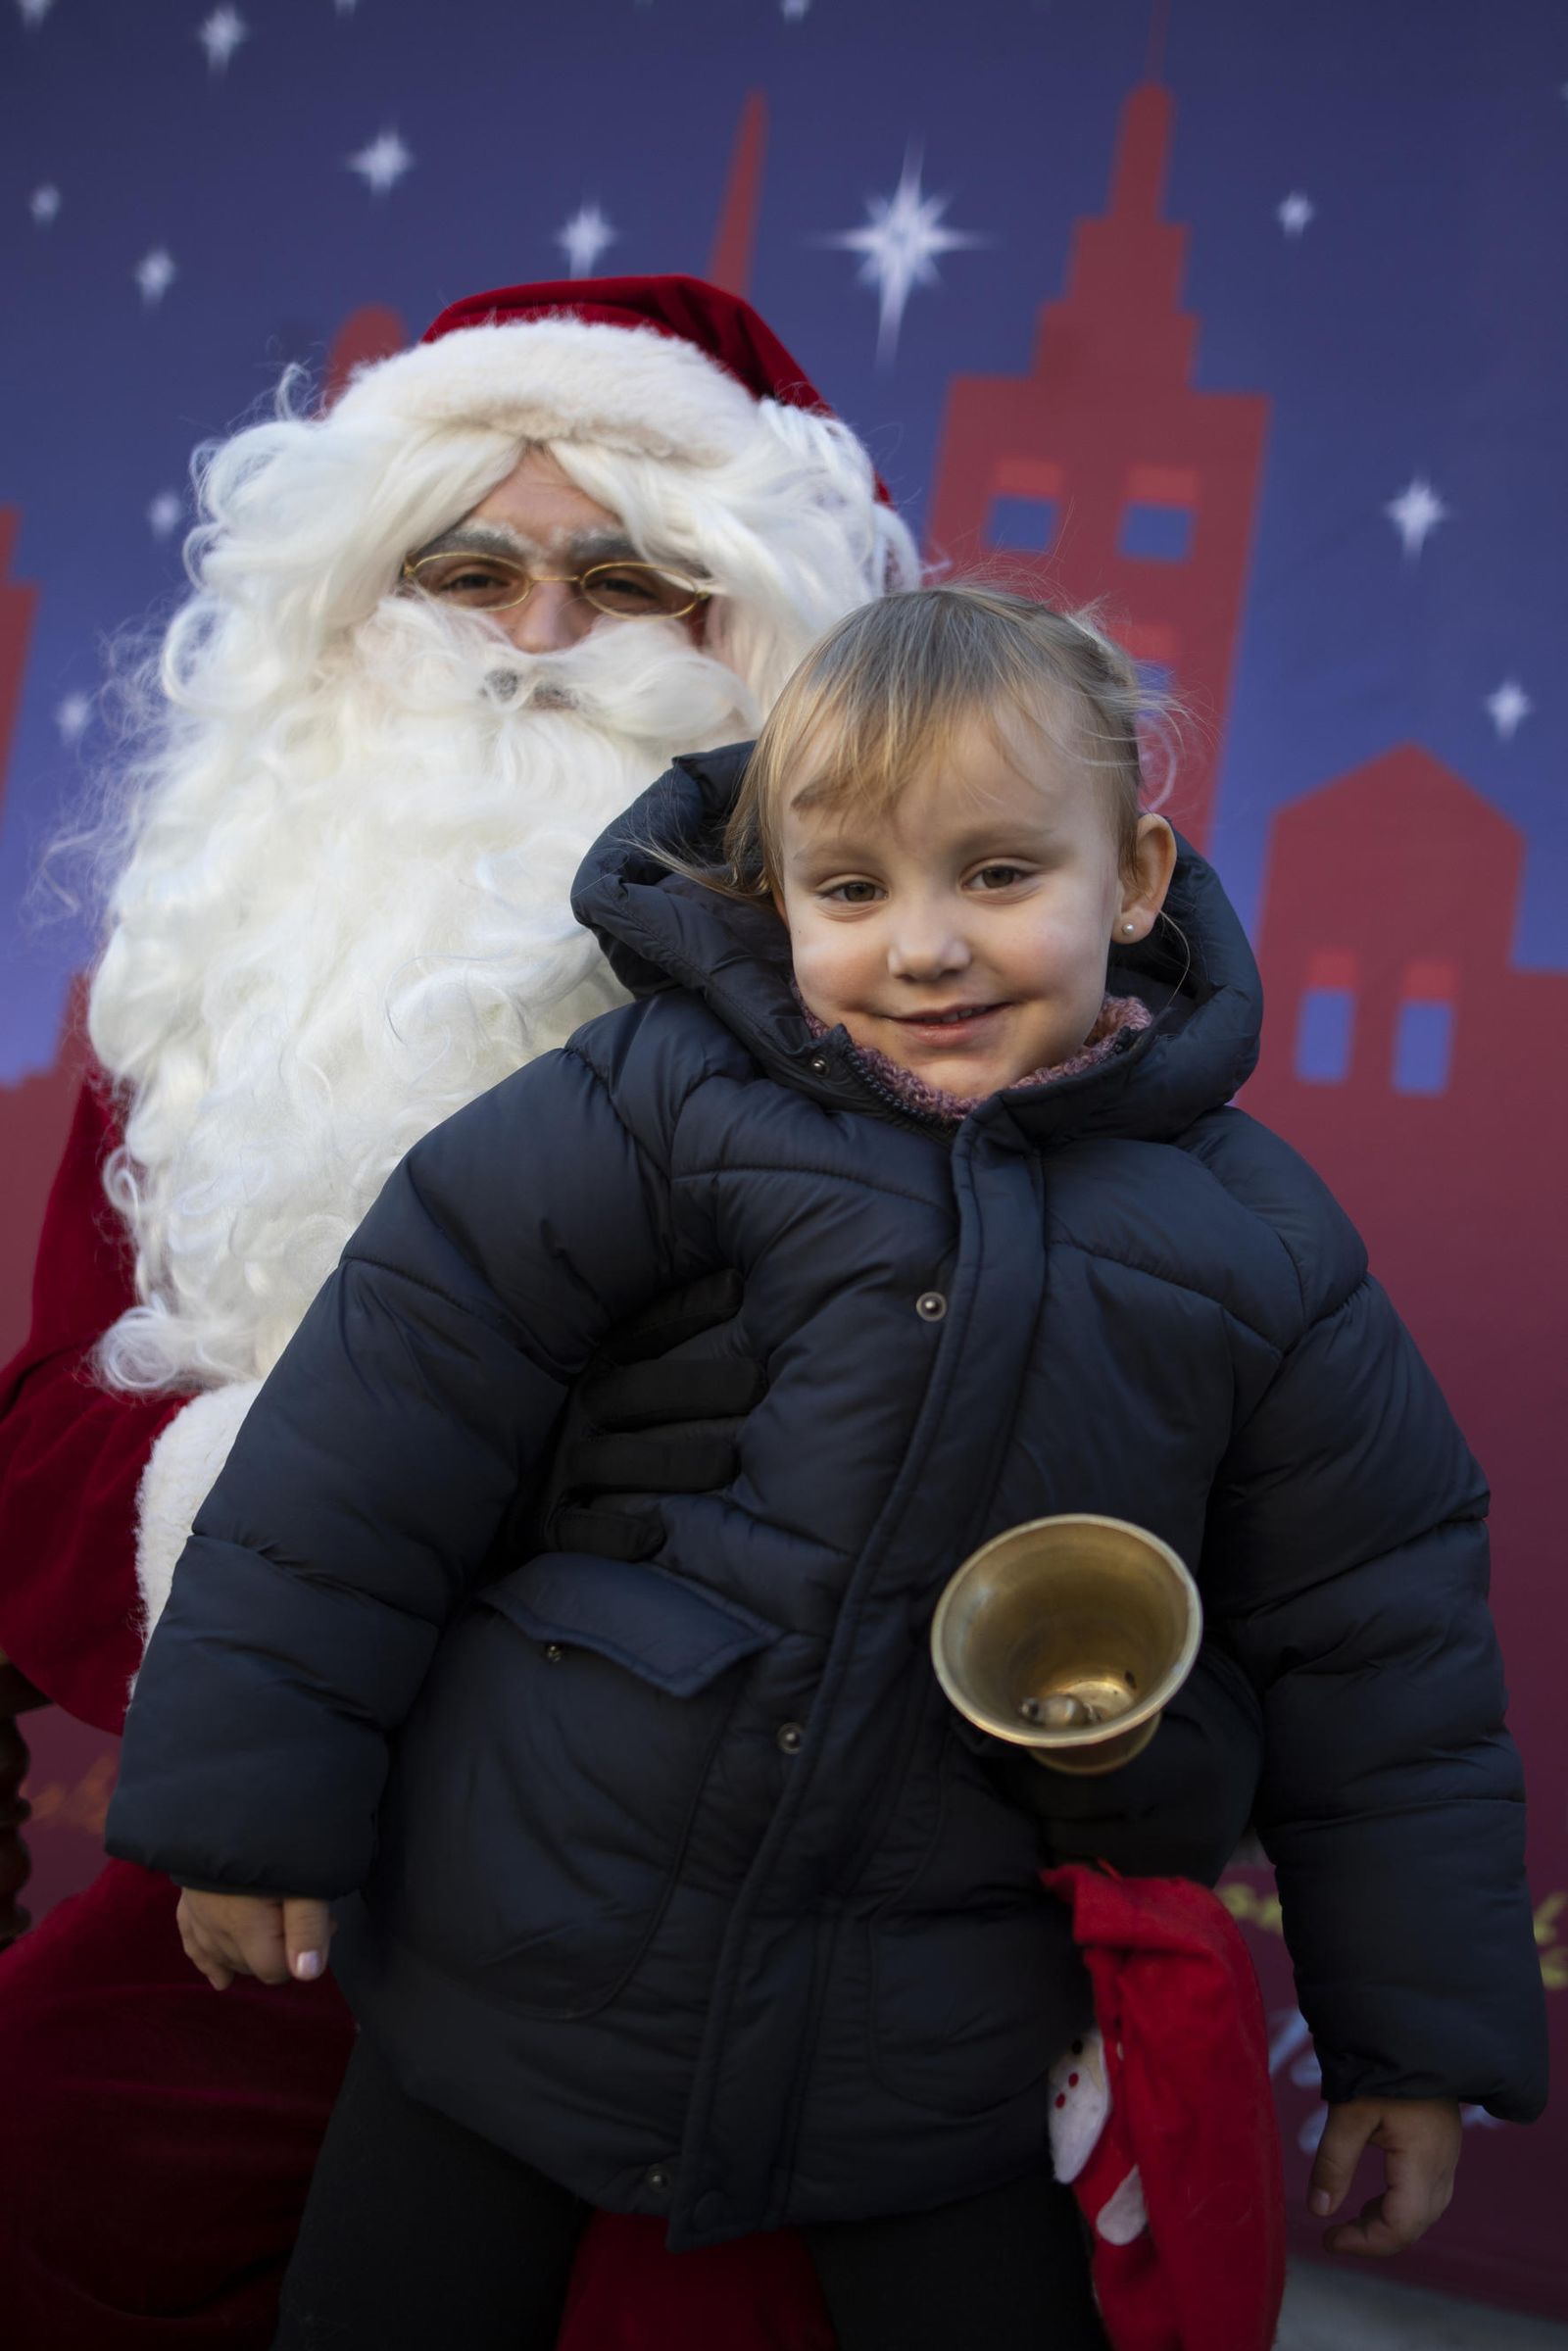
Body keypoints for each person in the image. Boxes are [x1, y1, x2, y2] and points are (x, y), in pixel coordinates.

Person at [105, 587, 1546, 2350]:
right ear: (774, 891)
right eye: (851, 890)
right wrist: (247, 1808)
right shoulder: (659, 1102)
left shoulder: (1261, 1245)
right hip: (521, 1936)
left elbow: (1381, 1654)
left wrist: (1412, 2043)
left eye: (998, 875)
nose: (925, 947)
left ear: (1135, 880)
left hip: (933, 2031)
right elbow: (376, 1429)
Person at [0, 275, 919, 2351]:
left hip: (731, 1867)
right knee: (44, 2151)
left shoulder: (913, 978)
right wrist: (338, 1501)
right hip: (302, 1826)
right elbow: (49, 1442)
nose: (535, 636)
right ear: (354, 605)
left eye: (629, 581)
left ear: (756, 633)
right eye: (469, 571)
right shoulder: (220, 979)